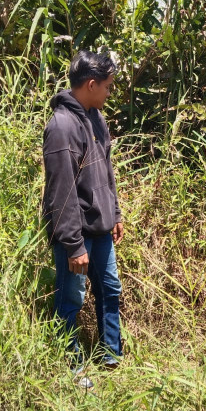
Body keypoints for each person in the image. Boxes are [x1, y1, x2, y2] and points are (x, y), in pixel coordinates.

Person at [42, 51, 124, 384]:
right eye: (107, 86)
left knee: (110, 288)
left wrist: (115, 212)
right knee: (71, 298)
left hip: (101, 229)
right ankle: (72, 366)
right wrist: (74, 245)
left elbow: (105, 171)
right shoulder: (62, 126)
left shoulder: (96, 118)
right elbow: (61, 194)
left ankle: (111, 355)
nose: (109, 93)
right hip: (75, 235)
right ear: (91, 84)